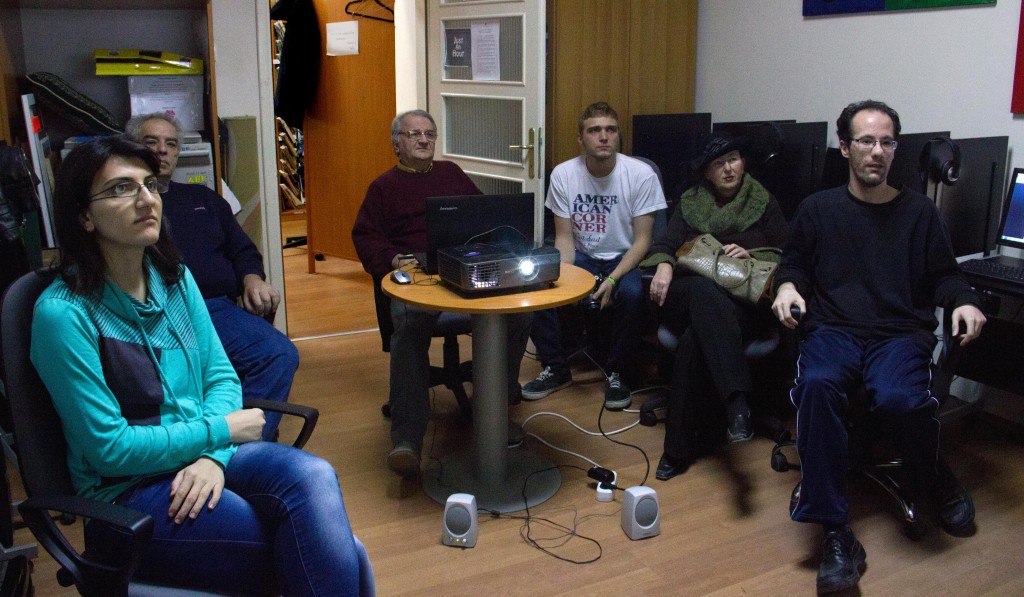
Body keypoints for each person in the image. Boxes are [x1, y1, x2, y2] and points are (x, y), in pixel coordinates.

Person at [30, 136, 369, 595]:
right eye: (121, 188)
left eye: (149, 184)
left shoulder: (174, 279)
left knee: (314, 476)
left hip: (202, 456)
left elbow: (221, 377)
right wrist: (221, 432)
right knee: (317, 548)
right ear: (83, 216)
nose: (146, 199)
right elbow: (111, 450)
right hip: (127, 494)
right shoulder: (65, 313)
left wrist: (213, 456)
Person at [770, 100, 986, 595]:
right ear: (846, 148)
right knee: (818, 385)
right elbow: (794, 265)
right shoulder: (818, 209)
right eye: (866, 141)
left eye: (887, 142)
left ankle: (932, 471)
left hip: (898, 334)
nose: (877, 151)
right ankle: (836, 532)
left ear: (895, 149)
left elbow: (946, 275)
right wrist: (787, 287)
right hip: (834, 330)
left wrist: (965, 300)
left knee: (901, 399)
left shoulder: (919, 213)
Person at [351, 109, 531, 478]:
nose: (423, 140)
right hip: (415, 271)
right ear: (396, 144)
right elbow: (365, 238)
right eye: (413, 134)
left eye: (429, 133)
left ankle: (493, 410)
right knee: (410, 322)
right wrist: (392, 258)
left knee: (520, 312)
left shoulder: (451, 174)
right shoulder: (383, 188)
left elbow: (485, 215)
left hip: (461, 265)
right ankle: (407, 439)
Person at [126, 113, 299, 441]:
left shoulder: (204, 199)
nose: (162, 150)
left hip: (217, 309)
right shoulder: (129, 208)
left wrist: (252, 278)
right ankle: (221, 439)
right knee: (183, 377)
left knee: (279, 353)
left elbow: (243, 250)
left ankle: (248, 443)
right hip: (161, 314)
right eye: (151, 142)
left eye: (171, 144)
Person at [643, 132, 787, 480]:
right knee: (704, 291)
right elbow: (664, 244)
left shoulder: (763, 201)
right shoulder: (690, 202)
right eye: (719, 163)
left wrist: (751, 254)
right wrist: (663, 265)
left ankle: (676, 450)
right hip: (690, 292)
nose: (728, 169)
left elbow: (788, 253)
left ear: (743, 163)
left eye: (733, 159)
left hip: (743, 301)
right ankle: (737, 401)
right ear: (707, 172)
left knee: (695, 339)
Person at [524, 101, 667, 409]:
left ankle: (618, 373)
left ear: (618, 135)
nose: (604, 137)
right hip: (583, 255)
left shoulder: (641, 175)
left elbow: (643, 242)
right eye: (594, 130)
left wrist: (613, 279)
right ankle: (556, 368)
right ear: (581, 138)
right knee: (539, 282)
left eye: (611, 130)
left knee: (631, 293)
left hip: (625, 257)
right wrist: (565, 279)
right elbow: (564, 238)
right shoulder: (564, 174)